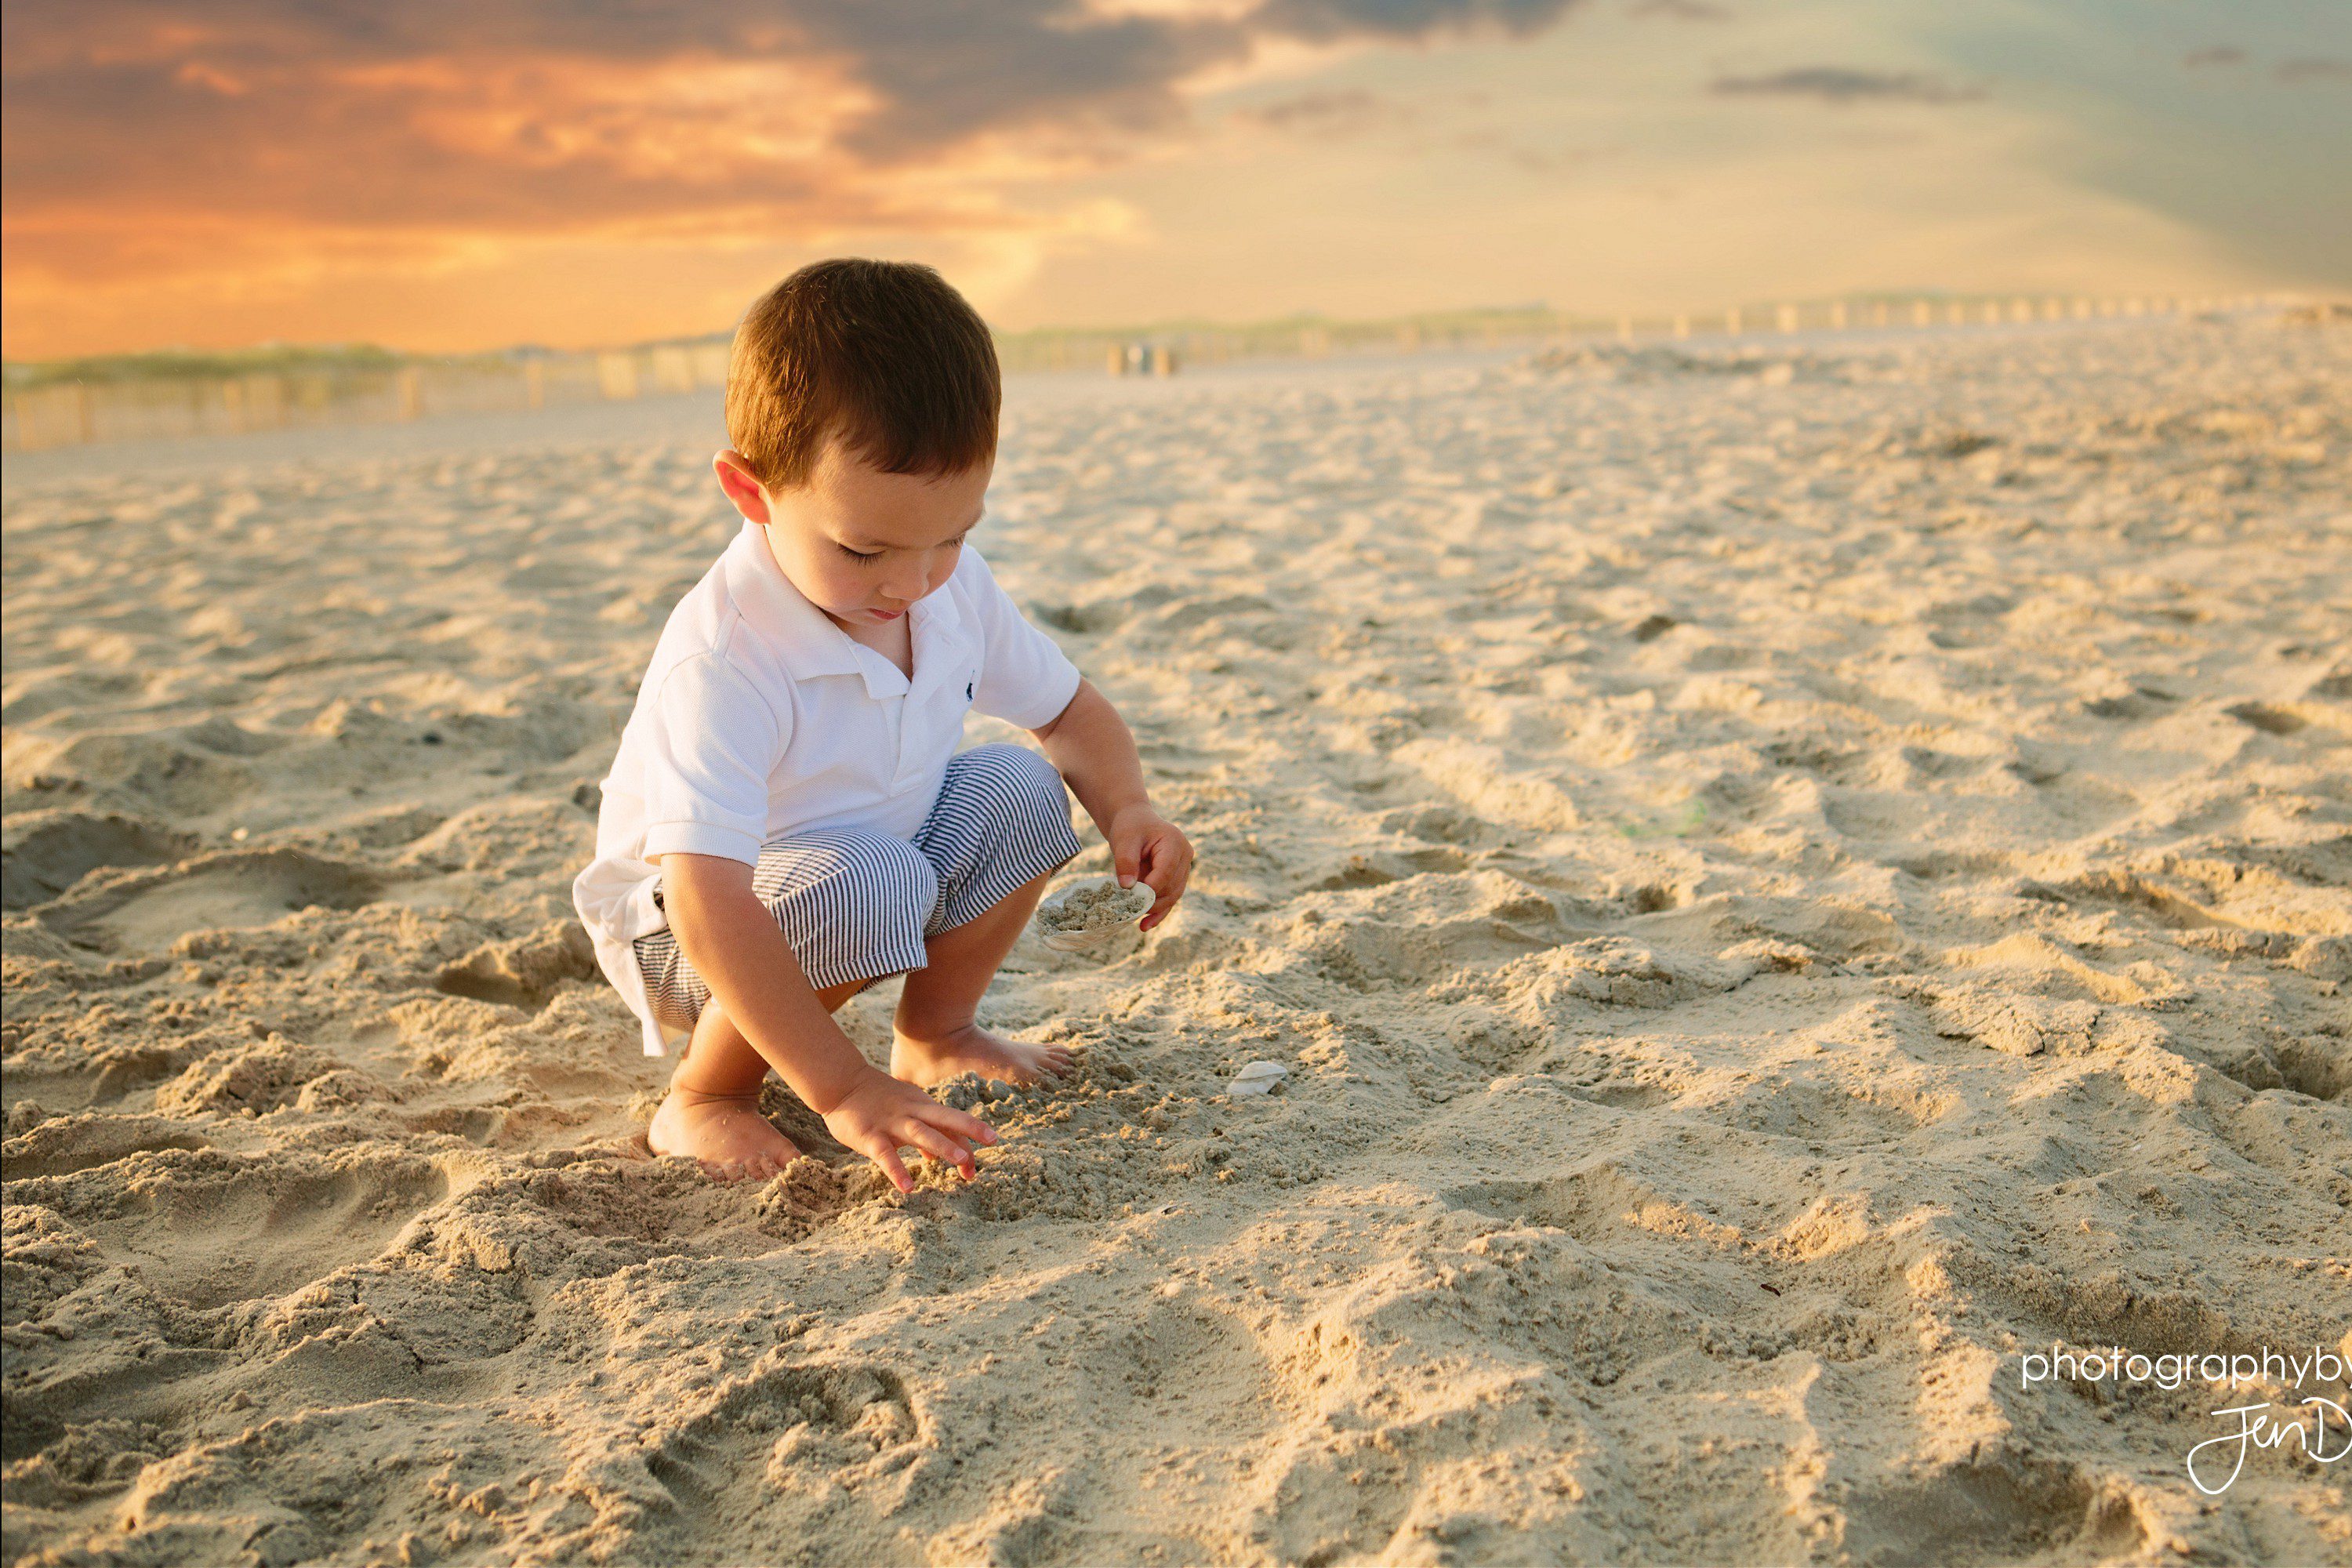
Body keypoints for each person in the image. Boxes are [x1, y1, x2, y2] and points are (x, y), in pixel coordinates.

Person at [572, 259, 1193, 1189]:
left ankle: (935, 1033)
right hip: (695, 931)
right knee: (874, 881)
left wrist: (1130, 808)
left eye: (953, 535)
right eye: (865, 549)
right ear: (752, 494)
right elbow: (706, 901)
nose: (913, 582)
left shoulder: (945, 589)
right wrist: (838, 1086)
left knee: (1025, 787)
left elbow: (1066, 710)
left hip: (867, 866)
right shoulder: (728, 655)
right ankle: (704, 1094)